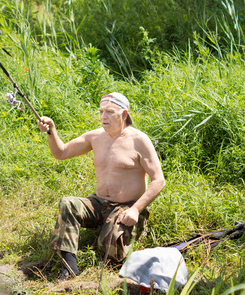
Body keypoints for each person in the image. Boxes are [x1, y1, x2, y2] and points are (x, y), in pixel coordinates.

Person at [38, 92, 166, 280]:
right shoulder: (95, 137)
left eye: (109, 112)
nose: (103, 117)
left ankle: (114, 232)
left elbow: (159, 180)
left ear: (124, 114)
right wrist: (51, 131)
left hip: (126, 207)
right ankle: (69, 266)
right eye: (101, 112)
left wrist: (136, 210)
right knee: (68, 204)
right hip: (99, 203)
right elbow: (61, 153)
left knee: (111, 254)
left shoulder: (139, 140)